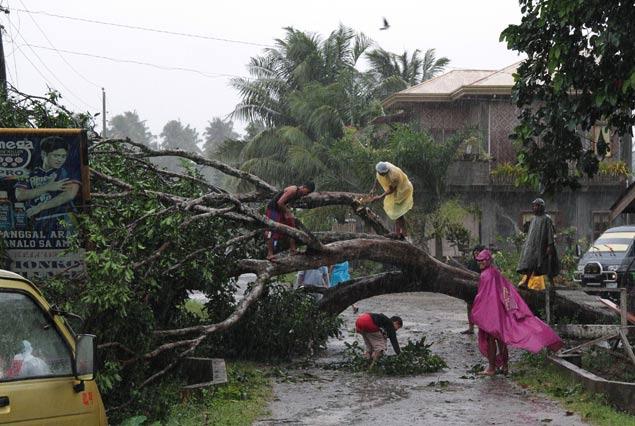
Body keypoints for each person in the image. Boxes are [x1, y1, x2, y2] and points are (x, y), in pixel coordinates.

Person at [471, 249, 563, 376]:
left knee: (492, 338)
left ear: (488, 261)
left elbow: (483, 296)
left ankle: (492, 368)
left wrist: (479, 312)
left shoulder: (485, 275)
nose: (480, 263)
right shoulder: (496, 273)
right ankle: (505, 366)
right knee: (500, 339)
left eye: (482, 260)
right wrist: (512, 310)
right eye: (479, 260)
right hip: (500, 312)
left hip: (491, 314)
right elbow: (506, 291)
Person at [14, 136, 80, 233]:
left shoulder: (66, 172)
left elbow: (69, 194)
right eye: (56, 155)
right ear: (44, 154)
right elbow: (19, 195)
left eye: (63, 156)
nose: (60, 160)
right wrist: (47, 187)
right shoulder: (30, 172)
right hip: (35, 223)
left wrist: (40, 207)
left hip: (62, 220)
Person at [265, 182, 315, 260]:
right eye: (307, 192)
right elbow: (280, 202)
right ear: (304, 187)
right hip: (273, 209)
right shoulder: (293, 190)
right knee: (270, 231)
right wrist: (287, 212)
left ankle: (293, 250)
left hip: (281, 210)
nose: (306, 194)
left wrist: (287, 212)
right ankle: (269, 254)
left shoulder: (299, 194)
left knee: (292, 228)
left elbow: (285, 203)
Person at [517, 198, 560, 289]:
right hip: (533, 247)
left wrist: (550, 245)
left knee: (548, 266)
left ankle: (552, 284)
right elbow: (531, 234)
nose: (534, 208)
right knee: (530, 265)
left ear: (541, 207)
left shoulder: (546, 219)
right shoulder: (534, 219)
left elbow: (550, 232)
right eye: (534, 206)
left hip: (543, 246)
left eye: (536, 206)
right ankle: (526, 282)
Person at [369, 162, 413, 239]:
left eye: (384, 173)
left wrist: (379, 197)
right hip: (396, 191)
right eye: (381, 173)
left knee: (397, 213)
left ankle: (398, 234)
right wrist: (373, 189)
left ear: (387, 171)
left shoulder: (394, 175)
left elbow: (391, 190)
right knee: (399, 213)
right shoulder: (380, 170)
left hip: (402, 190)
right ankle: (403, 232)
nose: (382, 175)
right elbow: (378, 178)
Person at [461, 244, 485, 335]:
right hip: (471, 289)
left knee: (481, 309)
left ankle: (482, 329)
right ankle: (471, 328)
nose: (476, 253)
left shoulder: (485, 262)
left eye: (478, 251)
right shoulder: (471, 262)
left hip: (481, 289)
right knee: (469, 307)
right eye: (475, 251)